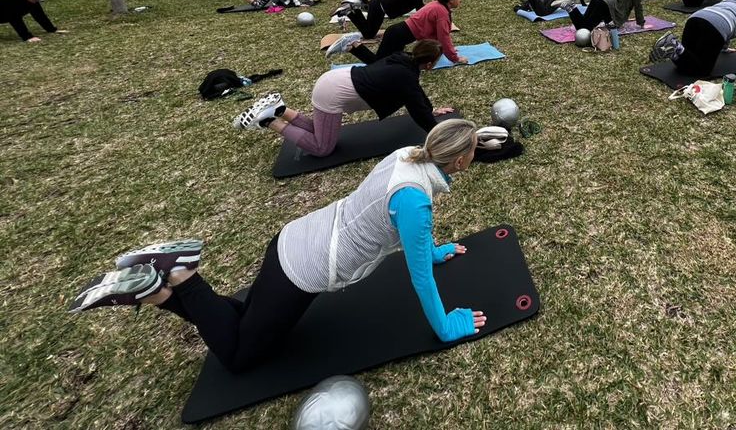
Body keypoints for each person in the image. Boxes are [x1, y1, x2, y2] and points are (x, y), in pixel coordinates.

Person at [69, 119, 488, 373]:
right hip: (306, 266)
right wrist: (447, 326)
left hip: (297, 237)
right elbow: (419, 279)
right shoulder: (416, 199)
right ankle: (184, 274)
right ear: (461, 161)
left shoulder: (409, 155)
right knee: (237, 356)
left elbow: (396, 226)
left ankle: (157, 290)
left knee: (245, 318)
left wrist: (433, 251)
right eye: (472, 150)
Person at [231, 40, 453, 157]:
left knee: (320, 133)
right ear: (430, 63)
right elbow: (417, 109)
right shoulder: (406, 76)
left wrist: (431, 109)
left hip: (333, 80)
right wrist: (438, 134)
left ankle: (280, 110)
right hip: (332, 93)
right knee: (322, 148)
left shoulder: (403, 59)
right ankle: (270, 121)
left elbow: (417, 96)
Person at [650, 0, 736, 74]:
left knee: (687, 60)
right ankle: (674, 46)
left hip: (694, 19)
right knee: (703, 70)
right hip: (714, 27)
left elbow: (728, 21)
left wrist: (724, 48)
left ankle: (673, 49)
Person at [346, 0, 467, 65]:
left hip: (398, 34)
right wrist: (455, 58)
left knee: (397, 62)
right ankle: (352, 46)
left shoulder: (437, 5)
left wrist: (445, 50)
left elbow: (434, 36)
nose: (460, 0)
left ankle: (353, 43)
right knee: (378, 64)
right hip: (396, 35)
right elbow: (443, 37)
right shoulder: (441, 12)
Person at [0, 0, 67, 42]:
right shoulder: (11, 1)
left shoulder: (33, 1)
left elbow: (40, 16)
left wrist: (52, 29)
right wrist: (27, 37)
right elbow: (15, 20)